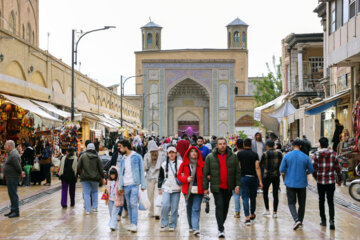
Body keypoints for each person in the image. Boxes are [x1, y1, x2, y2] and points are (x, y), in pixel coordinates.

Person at [203, 137, 241, 238]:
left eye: (224, 143)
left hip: (228, 187)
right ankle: (221, 228)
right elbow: (205, 173)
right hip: (217, 187)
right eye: (220, 144)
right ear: (217, 145)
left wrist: (237, 185)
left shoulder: (233, 157)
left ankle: (221, 223)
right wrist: (205, 188)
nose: (222, 145)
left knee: (225, 207)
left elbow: (237, 172)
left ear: (226, 144)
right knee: (219, 205)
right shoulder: (210, 157)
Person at [280, 139, 314, 230]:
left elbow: (282, 169)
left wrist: (289, 171)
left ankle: (296, 220)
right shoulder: (305, 157)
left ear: (292, 145)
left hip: (290, 183)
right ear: (301, 146)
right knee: (302, 204)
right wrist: (304, 172)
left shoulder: (287, 156)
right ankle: (300, 221)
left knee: (291, 203)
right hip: (302, 183)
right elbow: (311, 170)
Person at [313, 137, 342, 230]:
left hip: (320, 182)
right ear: (327, 144)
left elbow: (313, 168)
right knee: (330, 201)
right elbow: (338, 168)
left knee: (321, 200)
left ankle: (323, 220)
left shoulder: (316, 154)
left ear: (320, 144)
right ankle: (332, 221)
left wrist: (316, 177)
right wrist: (339, 179)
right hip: (331, 181)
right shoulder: (334, 154)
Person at [118, 139, 146, 233]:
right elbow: (121, 173)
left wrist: (143, 184)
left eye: (121, 147)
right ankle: (131, 223)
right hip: (125, 185)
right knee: (129, 205)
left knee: (133, 204)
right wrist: (120, 186)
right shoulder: (123, 158)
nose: (119, 148)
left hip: (134, 183)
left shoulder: (137, 157)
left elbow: (142, 170)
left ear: (126, 147)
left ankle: (134, 224)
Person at [177, 146, 204, 236]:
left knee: (196, 208)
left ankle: (196, 228)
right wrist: (186, 179)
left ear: (198, 153)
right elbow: (179, 176)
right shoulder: (184, 165)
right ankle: (191, 226)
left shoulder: (202, 164)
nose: (194, 153)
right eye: (192, 151)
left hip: (199, 190)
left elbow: (206, 175)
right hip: (187, 190)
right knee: (189, 208)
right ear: (188, 153)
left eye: (195, 151)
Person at [238, 138, 263, 225]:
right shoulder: (255, 154)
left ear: (244, 145)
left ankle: (247, 217)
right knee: (253, 197)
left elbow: (238, 167)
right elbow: (257, 167)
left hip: (243, 178)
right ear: (251, 145)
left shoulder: (240, 154)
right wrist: (260, 181)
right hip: (253, 178)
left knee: (245, 197)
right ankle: (252, 214)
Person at [158, 146, 182, 232]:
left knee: (174, 208)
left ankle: (173, 224)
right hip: (166, 187)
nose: (171, 154)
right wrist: (159, 187)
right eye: (170, 153)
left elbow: (183, 175)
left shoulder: (180, 163)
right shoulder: (164, 164)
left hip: (177, 188)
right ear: (167, 154)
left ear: (176, 154)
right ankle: (164, 224)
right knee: (165, 205)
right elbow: (160, 177)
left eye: (173, 152)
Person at [77, 143, 105, 215]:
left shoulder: (83, 156)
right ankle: (95, 208)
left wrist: (80, 174)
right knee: (95, 192)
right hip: (95, 178)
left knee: (86, 193)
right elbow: (101, 169)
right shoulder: (97, 157)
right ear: (94, 149)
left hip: (85, 178)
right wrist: (103, 177)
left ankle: (87, 210)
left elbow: (79, 166)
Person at [260, 140, 282, 218]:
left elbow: (260, 164)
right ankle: (275, 212)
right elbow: (281, 164)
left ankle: (267, 210)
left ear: (267, 146)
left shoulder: (265, 154)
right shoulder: (279, 153)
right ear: (274, 145)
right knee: (275, 194)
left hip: (267, 175)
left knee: (265, 193)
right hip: (276, 175)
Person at [3, 140, 24, 218]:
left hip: (13, 177)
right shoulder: (10, 153)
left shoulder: (14, 154)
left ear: (9, 146)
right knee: (11, 194)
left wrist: (21, 172)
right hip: (10, 177)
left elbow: (18, 166)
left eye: (5, 145)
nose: (4, 146)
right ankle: (13, 210)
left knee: (13, 194)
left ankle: (16, 211)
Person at [144, 140, 163, 219]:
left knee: (150, 195)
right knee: (157, 195)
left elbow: (145, 167)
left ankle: (151, 212)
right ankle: (157, 212)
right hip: (158, 177)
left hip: (149, 178)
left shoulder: (147, 155)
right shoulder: (160, 154)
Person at [106, 167, 124, 231]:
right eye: (111, 174)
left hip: (117, 200)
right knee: (111, 213)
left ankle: (113, 226)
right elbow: (107, 190)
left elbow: (121, 191)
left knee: (114, 212)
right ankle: (114, 224)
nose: (112, 176)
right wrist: (106, 199)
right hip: (110, 199)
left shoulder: (119, 182)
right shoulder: (108, 181)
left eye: (113, 174)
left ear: (116, 174)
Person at [233, 138, 243, 218]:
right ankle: (248, 212)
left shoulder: (234, 155)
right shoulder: (246, 153)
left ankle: (237, 212)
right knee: (245, 196)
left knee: (236, 195)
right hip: (245, 176)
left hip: (236, 176)